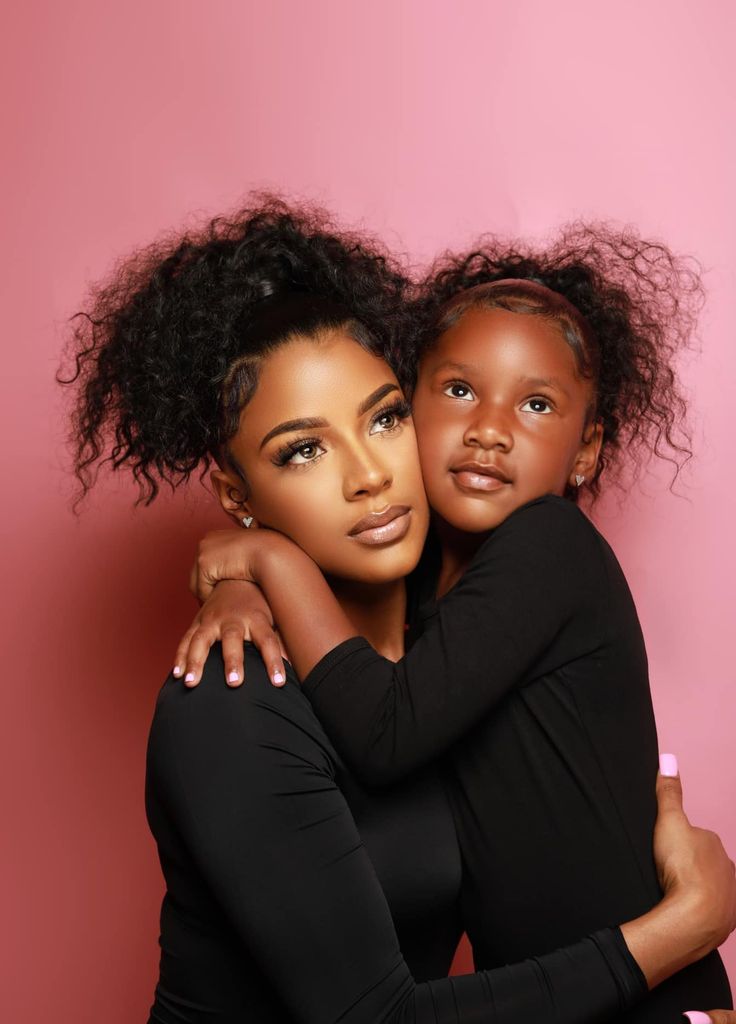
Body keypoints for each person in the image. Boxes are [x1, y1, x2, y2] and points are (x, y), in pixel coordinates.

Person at [61, 199, 735, 1023]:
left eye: (382, 419)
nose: (368, 476)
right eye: (303, 450)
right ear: (238, 494)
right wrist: (679, 932)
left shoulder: (440, 640)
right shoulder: (230, 698)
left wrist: (252, 569)